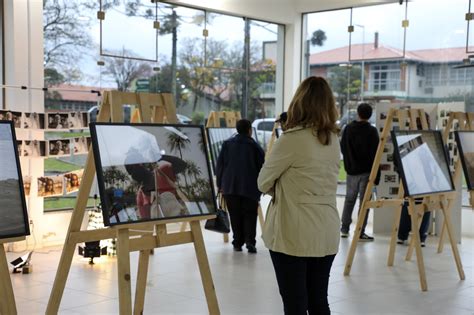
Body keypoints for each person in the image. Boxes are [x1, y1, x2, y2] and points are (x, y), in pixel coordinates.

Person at [258, 76, 340, 314]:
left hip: (294, 232)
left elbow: (263, 182)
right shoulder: (333, 139)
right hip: (326, 230)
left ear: (299, 102)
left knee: (295, 303)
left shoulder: (291, 140)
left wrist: (281, 186)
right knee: (318, 301)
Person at [216, 119, 265, 254]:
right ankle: (250, 242)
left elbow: (220, 166)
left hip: (230, 186)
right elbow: (263, 166)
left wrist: (219, 184)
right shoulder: (254, 146)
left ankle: (237, 242)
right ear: (249, 129)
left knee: (235, 214)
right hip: (249, 187)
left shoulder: (227, 144)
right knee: (250, 214)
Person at [340, 103, 379, 241]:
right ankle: (360, 231)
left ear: (358, 113)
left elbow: (343, 147)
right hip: (367, 172)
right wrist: (377, 175)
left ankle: (344, 229)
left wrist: (348, 164)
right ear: (370, 114)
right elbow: (376, 153)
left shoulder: (348, 129)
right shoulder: (372, 131)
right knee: (365, 202)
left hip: (351, 171)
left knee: (349, 200)